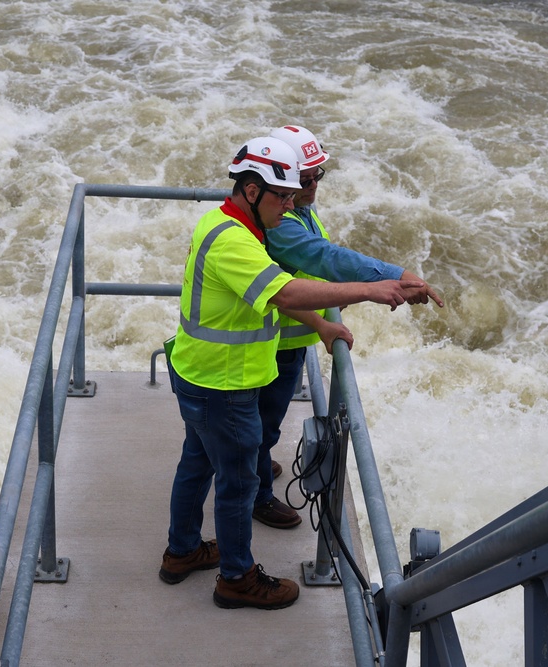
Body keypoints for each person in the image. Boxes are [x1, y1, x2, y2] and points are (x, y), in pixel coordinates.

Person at [158, 136, 427, 610]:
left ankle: (181, 552)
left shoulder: (226, 224)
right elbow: (283, 294)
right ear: (251, 190)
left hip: (200, 374)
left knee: (196, 465)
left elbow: (271, 293)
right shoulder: (235, 242)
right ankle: (237, 579)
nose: (291, 204)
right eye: (283, 195)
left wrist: (323, 324)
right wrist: (367, 291)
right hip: (225, 385)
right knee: (238, 486)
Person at [251, 124, 444, 530]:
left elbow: (283, 280)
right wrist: (393, 276)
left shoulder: (294, 207)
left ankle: (254, 461)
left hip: (282, 336)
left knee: (262, 421)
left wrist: (321, 324)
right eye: (303, 180)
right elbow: (324, 259)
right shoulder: (282, 222)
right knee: (263, 420)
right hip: (271, 343)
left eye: (317, 176)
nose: (312, 187)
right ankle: (257, 493)